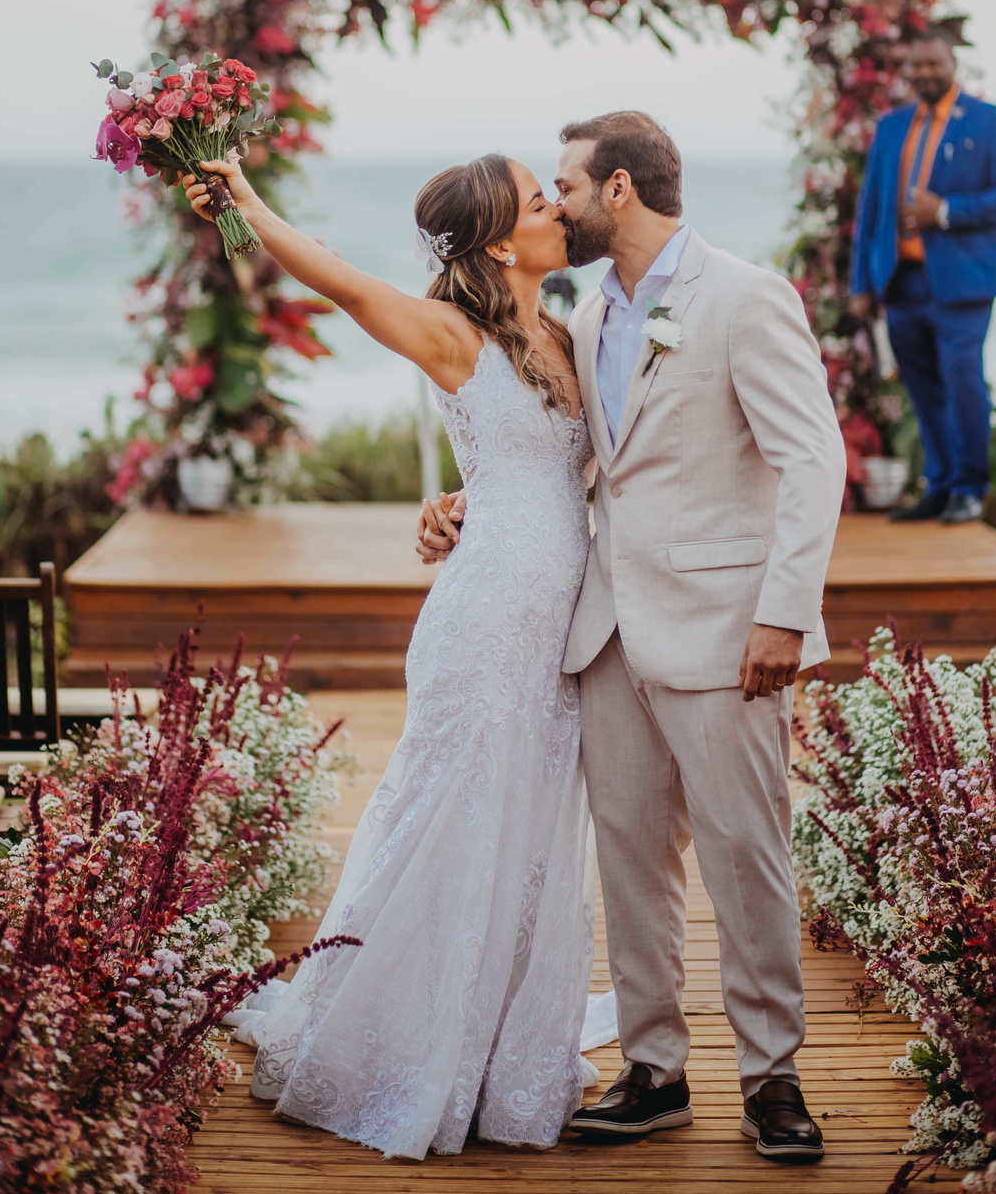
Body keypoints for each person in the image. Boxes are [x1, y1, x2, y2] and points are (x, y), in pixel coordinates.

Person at [421, 111, 846, 1163]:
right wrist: (454, 507)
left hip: (727, 630)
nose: (553, 204)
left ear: (616, 189)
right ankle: (654, 1072)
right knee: (629, 858)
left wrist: (786, 613)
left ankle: (773, 1080)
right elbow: (564, 463)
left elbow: (814, 461)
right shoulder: (585, 318)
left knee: (749, 855)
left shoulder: (746, 297)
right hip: (605, 630)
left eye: (562, 184)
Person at [179, 149, 613, 1159]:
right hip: (486, 619)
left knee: (529, 828)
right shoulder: (450, 332)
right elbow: (337, 279)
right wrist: (243, 196)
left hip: (556, 623)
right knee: (448, 819)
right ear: (501, 239)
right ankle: (400, 1050)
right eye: (541, 201)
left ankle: (497, 1050)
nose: (558, 209)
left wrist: (454, 502)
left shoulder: (560, 331)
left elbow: (562, 472)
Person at [849, 30, 996, 525]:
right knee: (921, 388)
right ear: (906, 71)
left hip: (965, 283)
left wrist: (946, 211)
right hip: (902, 281)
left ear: (953, 63)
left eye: (934, 64)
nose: (925, 73)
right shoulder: (891, 127)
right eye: (917, 66)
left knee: (962, 381)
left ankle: (971, 488)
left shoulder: (992, 122)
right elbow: (871, 207)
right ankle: (941, 484)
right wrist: (860, 284)